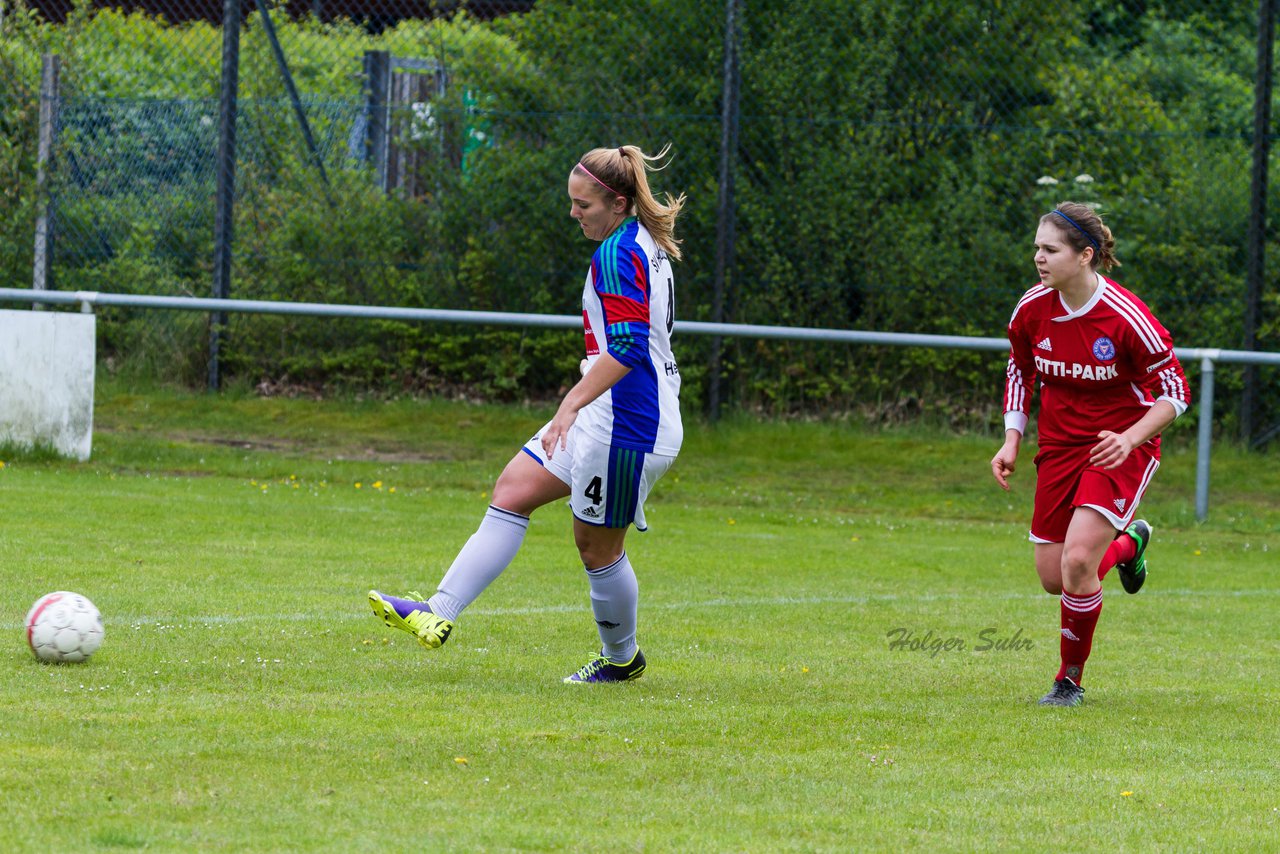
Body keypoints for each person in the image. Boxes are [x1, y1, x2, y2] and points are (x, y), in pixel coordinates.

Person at [368, 144, 686, 684]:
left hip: (629, 424)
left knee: (597, 548)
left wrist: (570, 402)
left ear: (616, 202)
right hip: (608, 411)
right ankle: (438, 612)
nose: (573, 213)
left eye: (582, 205)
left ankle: (621, 660)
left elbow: (629, 347)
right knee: (513, 489)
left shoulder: (616, 253)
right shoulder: (640, 240)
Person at [990, 202, 1190, 707]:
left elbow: (1175, 393)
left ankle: (1068, 681)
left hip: (1120, 445)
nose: (1038, 257)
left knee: (1079, 561)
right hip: (1059, 446)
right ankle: (1130, 545)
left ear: (1085, 256)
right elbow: (1020, 370)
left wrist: (1130, 438)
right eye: (1036, 246)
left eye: (1050, 249)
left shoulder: (1128, 318)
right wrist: (1013, 436)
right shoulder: (1032, 309)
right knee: (1054, 579)